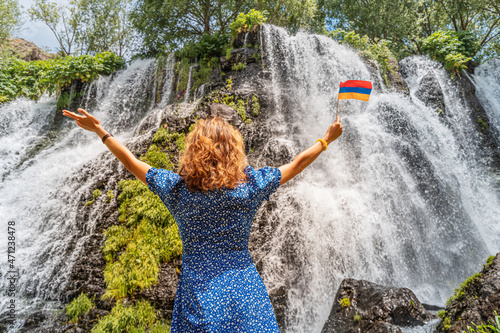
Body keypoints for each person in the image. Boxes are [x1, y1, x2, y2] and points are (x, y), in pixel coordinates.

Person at [62, 108, 343, 332]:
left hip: (199, 289)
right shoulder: (250, 187)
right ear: (234, 150)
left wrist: (101, 131)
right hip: (244, 289)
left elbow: (132, 162)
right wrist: (325, 140)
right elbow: (297, 163)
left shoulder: (176, 190)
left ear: (193, 151)